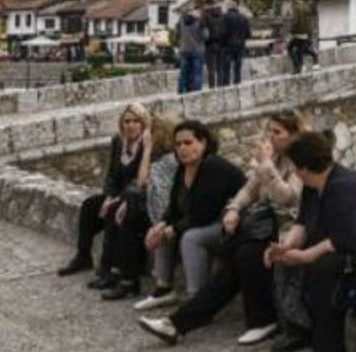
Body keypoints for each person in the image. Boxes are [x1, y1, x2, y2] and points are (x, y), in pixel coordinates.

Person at [138, 113, 306, 346]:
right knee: (238, 258)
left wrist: (266, 166)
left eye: (277, 132)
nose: (271, 137)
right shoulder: (275, 159)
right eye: (270, 131)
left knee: (245, 256)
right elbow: (249, 190)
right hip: (266, 228)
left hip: (292, 230)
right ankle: (177, 324)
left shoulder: (302, 160)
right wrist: (234, 209)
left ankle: (261, 321)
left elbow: (288, 198)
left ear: (294, 134)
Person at [265, 131, 356, 352]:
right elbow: (303, 222)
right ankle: (300, 328)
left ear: (304, 167)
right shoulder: (313, 185)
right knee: (301, 265)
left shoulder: (340, 187)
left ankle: (326, 343)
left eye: (296, 166)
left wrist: (304, 256)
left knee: (325, 271)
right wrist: (287, 247)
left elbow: (344, 241)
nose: (295, 171)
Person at [140, 120, 247, 317]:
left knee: (191, 237)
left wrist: (173, 229)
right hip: (206, 222)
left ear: (203, 143)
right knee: (162, 230)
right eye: (178, 144)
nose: (182, 148)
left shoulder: (212, 166)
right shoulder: (183, 169)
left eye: (188, 143)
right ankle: (164, 287)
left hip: (231, 224)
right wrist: (161, 224)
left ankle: (196, 299)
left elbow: (204, 214)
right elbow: (173, 208)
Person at [57, 103, 149, 289]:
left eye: (135, 121)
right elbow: (112, 174)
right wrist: (109, 195)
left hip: (137, 198)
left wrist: (119, 198)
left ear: (143, 124)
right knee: (90, 205)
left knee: (113, 213)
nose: (130, 126)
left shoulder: (148, 145)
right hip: (118, 194)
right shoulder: (118, 141)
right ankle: (83, 255)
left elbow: (142, 181)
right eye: (126, 121)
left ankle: (109, 268)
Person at [131, 114, 182, 311]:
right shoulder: (165, 159)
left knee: (160, 232)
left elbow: (142, 182)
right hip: (164, 214)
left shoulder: (169, 161)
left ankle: (162, 287)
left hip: (170, 215)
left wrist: (147, 149)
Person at [219, 0, 251, 86]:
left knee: (226, 68)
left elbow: (222, 33)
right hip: (240, 45)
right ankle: (237, 83)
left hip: (227, 46)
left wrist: (221, 44)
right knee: (237, 67)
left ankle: (226, 85)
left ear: (228, 7)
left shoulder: (224, 18)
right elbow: (248, 34)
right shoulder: (244, 18)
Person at [175, 5, 206, 94]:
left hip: (184, 49)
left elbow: (177, 34)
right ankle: (197, 93)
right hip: (197, 50)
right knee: (197, 73)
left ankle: (181, 91)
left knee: (183, 72)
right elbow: (205, 36)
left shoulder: (181, 21)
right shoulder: (199, 21)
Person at [287, 0, 318, 75]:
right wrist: (309, 33)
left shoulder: (296, 7)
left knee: (290, 48)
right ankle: (313, 57)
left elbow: (295, 21)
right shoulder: (306, 7)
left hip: (298, 33)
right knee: (301, 49)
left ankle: (297, 67)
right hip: (306, 33)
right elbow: (309, 21)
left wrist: (291, 31)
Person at [202, 0, 225, 88]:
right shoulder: (222, 16)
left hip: (210, 44)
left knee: (211, 67)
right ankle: (220, 86)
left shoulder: (206, 15)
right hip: (221, 44)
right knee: (220, 67)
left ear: (208, 4)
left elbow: (205, 32)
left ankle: (212, 87)